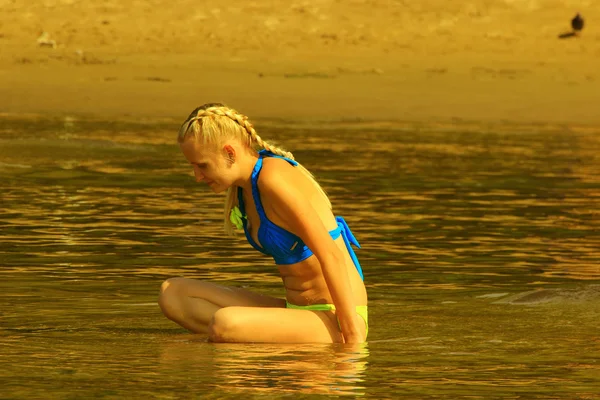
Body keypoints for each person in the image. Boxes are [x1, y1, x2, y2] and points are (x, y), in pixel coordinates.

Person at [158, 103, 368, 343]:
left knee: (224, 323)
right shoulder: (243, 189)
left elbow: (332, 255)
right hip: (296, 311)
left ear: (230, 152)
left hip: (338, 317)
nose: (197, 177)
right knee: (172, 294)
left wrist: (353, 342)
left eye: (202, 166)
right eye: (192, 166)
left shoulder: (273, 179)